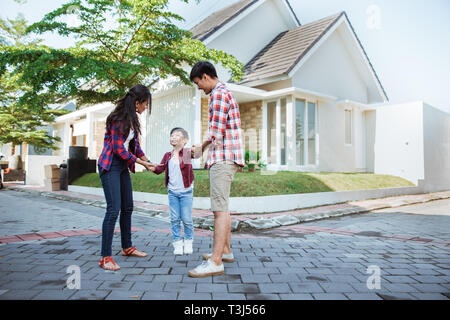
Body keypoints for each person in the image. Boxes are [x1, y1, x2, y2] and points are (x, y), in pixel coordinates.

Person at [188, 61, 245, 278]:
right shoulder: (222, 93)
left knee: (219, 211)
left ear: (204, 76)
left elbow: (216, 133)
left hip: (222, 158)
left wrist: (199, 148)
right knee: (223, 208)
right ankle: (226, 251)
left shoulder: (219, 94)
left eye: (197, 83)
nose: (199, 88)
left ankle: (216, 261)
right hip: (225, 157)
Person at [97, 84, 159, 271]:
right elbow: (118, 149)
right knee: (113, 209)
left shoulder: (132, 120)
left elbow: (135, 147)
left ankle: (127, 247)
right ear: (137, 102)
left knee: (128, 207)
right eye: (145, 104)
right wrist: (142, 164)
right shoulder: (118, 119)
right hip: (109, 166)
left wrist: (150, 162)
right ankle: (105, 257)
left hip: (122, 167)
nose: (145, 107)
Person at [150, 127, 200, 255]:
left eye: (177, 135)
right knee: (174, 218)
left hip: (186, 192)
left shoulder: (187, 153)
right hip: (172, 192)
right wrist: (149, 165)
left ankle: (188, 242)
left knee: (187, 219)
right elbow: (159, 169)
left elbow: (198, 154)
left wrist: (198, 147)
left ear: (184, 140)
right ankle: (177, 243)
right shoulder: (167, 155)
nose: (173, 137)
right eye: (172, 135)